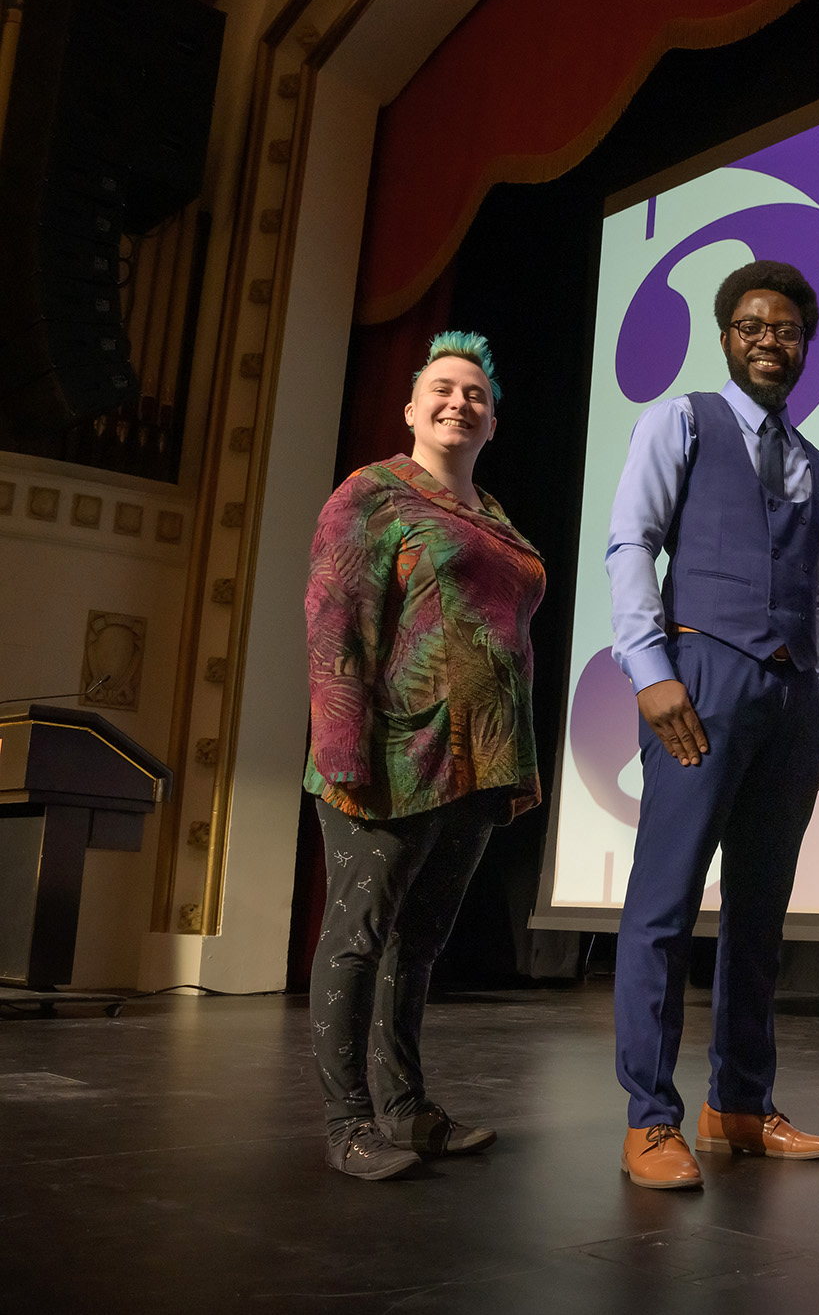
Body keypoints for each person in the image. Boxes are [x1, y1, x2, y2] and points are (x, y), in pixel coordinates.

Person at [605, 260, 819, 1190]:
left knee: (760, 916)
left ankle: (740, 1103)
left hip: (788, 701)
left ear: (802, 346)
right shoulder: (681, 418)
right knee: (664, 903)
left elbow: (817, 595)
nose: (767, 340)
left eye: (784, 329)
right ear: (726, 335)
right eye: (751, 325)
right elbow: (633, 539)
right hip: (698, 674)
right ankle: (651, 1117)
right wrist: (650, 668)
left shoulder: (815, 463)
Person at [302, 331, 544, 1180]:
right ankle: (348, 1124)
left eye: (476, 393)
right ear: (411, 408)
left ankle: (406, 1110)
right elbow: (335, 618)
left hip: (480, 762)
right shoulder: (371, 494)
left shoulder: (497, 517)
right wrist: (341, 751)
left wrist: (520, 762)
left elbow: (509, 642)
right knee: (359, 938)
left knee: (420, 943)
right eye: (443, 387)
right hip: (393, 754)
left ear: (492, 420)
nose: (459, 401)